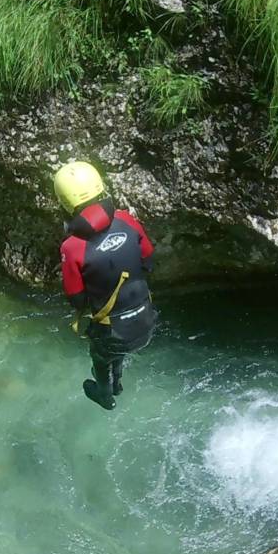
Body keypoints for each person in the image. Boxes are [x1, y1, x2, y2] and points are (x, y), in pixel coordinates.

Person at [54, 161, 156, 410]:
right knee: (114, 338)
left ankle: (105, 393)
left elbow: (76, 299)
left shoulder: (72, 247)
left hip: (114, 335)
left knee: (101, 352)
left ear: (64, 202)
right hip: (147, 323)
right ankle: (118, 382)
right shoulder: (126, 219)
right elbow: (149, 260)